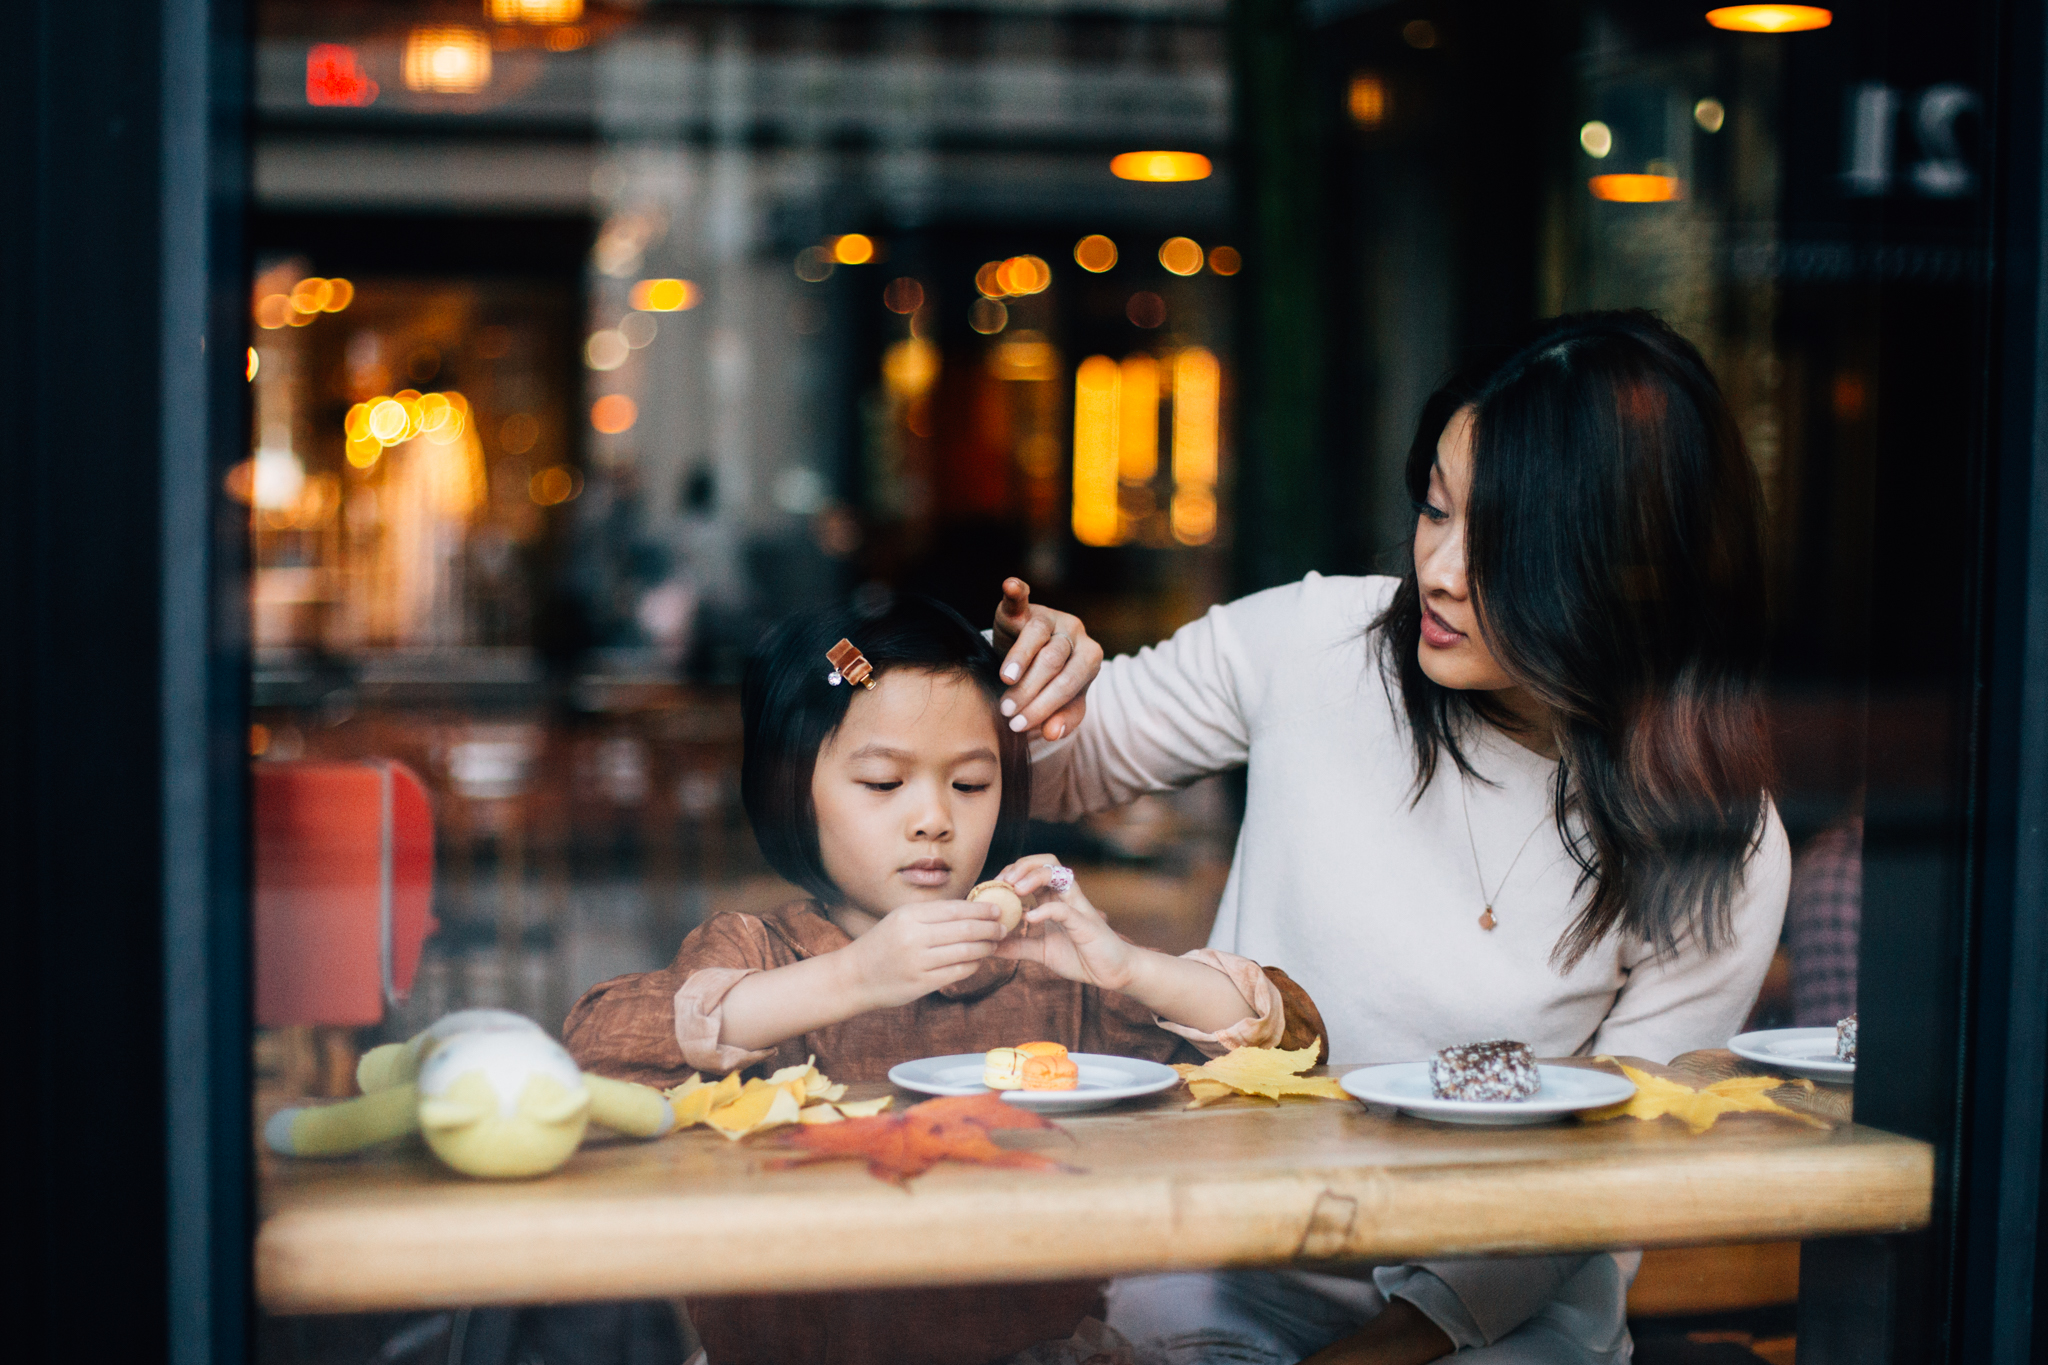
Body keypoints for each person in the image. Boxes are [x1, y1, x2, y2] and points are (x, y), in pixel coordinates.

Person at [990, 311, 1792, 1364]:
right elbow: (1047, 773)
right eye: (1432, 510)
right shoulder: (1314, 645)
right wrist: (1017, 691)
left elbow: (1603, 1173)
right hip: (1223, 1281)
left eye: (1500, 545)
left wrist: (1379, 1351)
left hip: (1495, 1322)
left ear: (1626, 567)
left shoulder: (1713, 838)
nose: (1441, 572)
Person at [563, 593, 1325, 1365]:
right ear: (795, 791)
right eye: (884, 784)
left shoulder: (1043, 972)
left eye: (968, 785)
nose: (933, 818)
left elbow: (1290, 1039)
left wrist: (1132, 968)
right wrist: (853, 978)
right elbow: (600, 1049)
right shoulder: (759, 953)